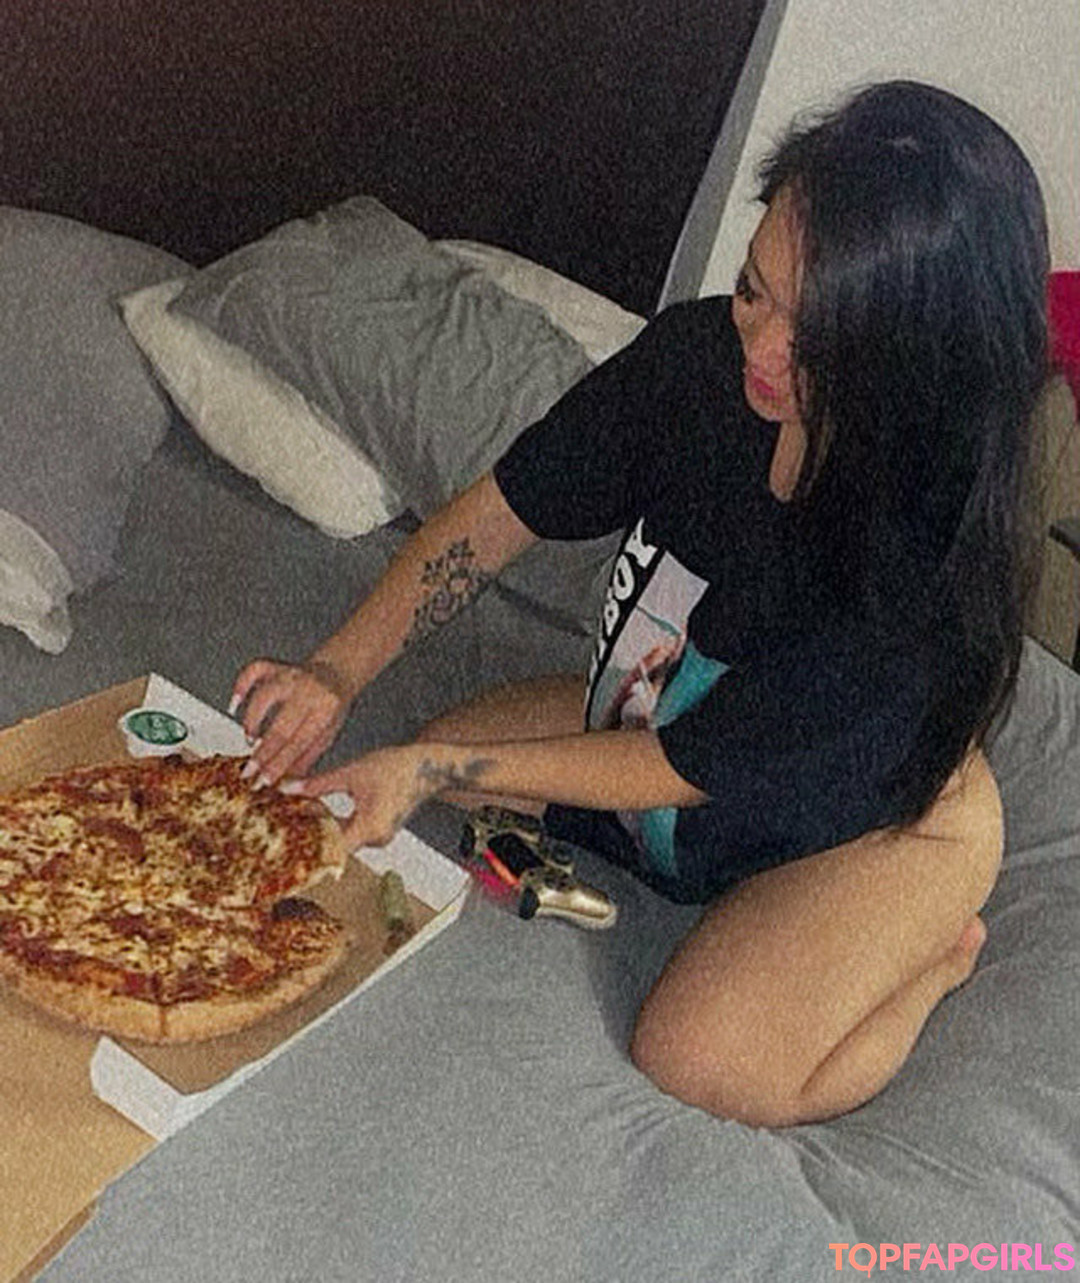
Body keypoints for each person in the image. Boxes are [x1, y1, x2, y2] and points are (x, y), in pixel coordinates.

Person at [231, 81, 1049, 1127]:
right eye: (755, 290)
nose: (760, 351)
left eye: (817, 342)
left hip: (865, 817)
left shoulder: (907, 575)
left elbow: (679, 766)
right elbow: (494, 519)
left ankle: (935, 954)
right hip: (676, 735)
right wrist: (336, 671)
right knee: (449, 757)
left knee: (694, 1057)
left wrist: (431, 767)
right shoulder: (697, 365)